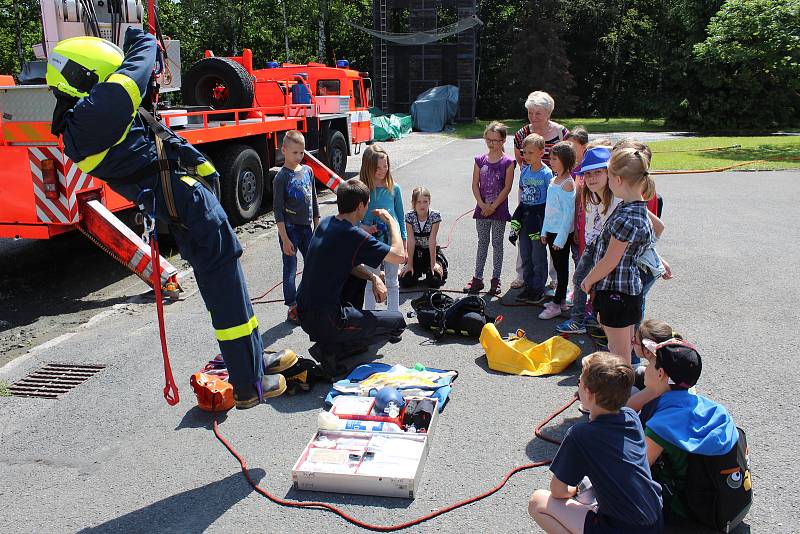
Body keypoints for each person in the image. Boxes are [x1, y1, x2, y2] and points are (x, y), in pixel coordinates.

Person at [46, 29, 286, 409]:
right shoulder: (89, 119)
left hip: (189, 207)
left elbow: (156, 137)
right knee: (225, 293)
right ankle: (248, 383)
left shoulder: (92, 121)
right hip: (189, 211)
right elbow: (135, 72)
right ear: (85, 75)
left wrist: (201, 165)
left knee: (232, 283)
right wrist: (143, 40)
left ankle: (253, 359)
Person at [528, 352, 664, 533]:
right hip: (654, 521)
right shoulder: (631, 416)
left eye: (580, 382)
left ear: (589, 393)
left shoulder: (580, 434)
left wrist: (574, 490)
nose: (578, 384)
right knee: (589, 488)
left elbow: (558, 491)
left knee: (538, 501)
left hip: (623, 528)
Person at [296, 178, 407, 377]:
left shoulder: (327, 223)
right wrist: (391, 221)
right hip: (327, 320)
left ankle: (340, 340)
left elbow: (350, 264)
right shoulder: (353, 235)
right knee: (397, 322)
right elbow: (400, 256)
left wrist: (373, 278)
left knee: (358, 276)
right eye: (367, 203)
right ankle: (332, 349)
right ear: (360, 206)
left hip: (305, 313)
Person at [635, 336, 739, 522]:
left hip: (685, 506)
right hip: (722, 494)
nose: (646, 368)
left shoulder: (662, 425)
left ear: (661, 374)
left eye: (651, 363)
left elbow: (636, 470)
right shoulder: (710, 407)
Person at [581, 149, 657, 364]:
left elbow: (610, 260)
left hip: (617, 293)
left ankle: (620, 395)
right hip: (624, 291)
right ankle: (622, 390)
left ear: (617, 179)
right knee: (619, 348)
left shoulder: (626, 216)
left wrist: (589, 280)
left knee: (619, 354)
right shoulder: (634, 209)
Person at [556, 148, 620, 334]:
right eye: (588, 173)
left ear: (608, 173)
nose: (592, 178)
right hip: (595, 245)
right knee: (580, 279)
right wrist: (589, 251)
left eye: (597, 172)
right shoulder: (590, 194)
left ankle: (604, 325)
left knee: (606, 287)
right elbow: (591, 227)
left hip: (614, 248)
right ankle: (579, 320)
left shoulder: (618, 198)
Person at [511, 91, 570, 290]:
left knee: (551, 234)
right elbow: (520, 161)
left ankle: (553, 276)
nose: (533, 118)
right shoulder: (521, 134)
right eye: (530, 113)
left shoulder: (562, 134)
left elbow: (569, 160)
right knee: (526, 235)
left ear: (549, 113)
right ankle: (522, 275)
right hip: (529, 190)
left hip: (556, 192)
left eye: (538, 113)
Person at [273, 130, 319, 325]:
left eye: (302, 152)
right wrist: (284, 239)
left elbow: (314, 199)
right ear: (284, 151)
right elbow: (278, 212)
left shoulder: (308, 171)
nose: (299, 156)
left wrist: (317, 223)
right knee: (290, 269)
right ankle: (293, 305)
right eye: (294, 153)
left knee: (312, 264)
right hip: (289, 229)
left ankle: (305, 299)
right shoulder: (281, 178)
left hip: (307, 228)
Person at [464, 121, 514, 295]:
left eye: (495, 140)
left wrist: (493, 206)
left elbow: (507, 187)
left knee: (497, 244)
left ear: (503, 141)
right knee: (482, 243)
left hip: (498, 211)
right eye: (488, 139)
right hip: (482, 210)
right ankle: (477, 278)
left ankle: (496, 279)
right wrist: (482, 204)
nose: (492, 143)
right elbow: (474, 184)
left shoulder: (508, 162)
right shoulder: (480, 160)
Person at [359, 144, 406, 313]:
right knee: (372, 280)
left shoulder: (395, 189)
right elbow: (353, 218)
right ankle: (370, 316)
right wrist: (363, 227)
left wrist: (404, 246)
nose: (382, 170)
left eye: (385, 166)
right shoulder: (362, 190)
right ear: (368, 167)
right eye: (377, 168)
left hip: (391, 243)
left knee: (392, 281)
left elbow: (401, 218)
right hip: (370, 243)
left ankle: (393, 316)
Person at [511, 133, 552, 304]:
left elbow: (550, 199)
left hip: (539, 218)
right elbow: (522, 190)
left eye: (530, 153)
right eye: (524, 152)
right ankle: (528, 286)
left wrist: (546, 225)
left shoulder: (546, 174)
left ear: (541, 153)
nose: (526, 156)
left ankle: (538, 288)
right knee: (525, 252)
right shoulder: (525, 171)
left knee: (538, 255)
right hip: (525, 216)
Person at [539, 141, 577, 319]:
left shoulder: (568, 184)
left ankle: (556, 304)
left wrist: (560, 239)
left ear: (566, 160)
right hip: (552, 231)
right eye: (551, 158)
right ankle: (560, 301)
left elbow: (568, 215)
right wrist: (544, 232)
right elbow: (549, 209)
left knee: (561, 269)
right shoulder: (554, 180)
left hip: (561, 235)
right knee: (557, 265)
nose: (551, 161)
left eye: (555, 159)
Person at [400, 186, 446, 288]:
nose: (422, 205)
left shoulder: (435, 216)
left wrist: (433, 264)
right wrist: (409, 264)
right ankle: (413, 271)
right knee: (406, 281)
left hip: (430, 252)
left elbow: (432, 240)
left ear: (429, 202)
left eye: (425, 201)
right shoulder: (409, 216)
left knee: (434, 281)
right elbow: (411, 240)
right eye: (419, 202)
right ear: (413, 203)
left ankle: (432, 269)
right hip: (415, 252)